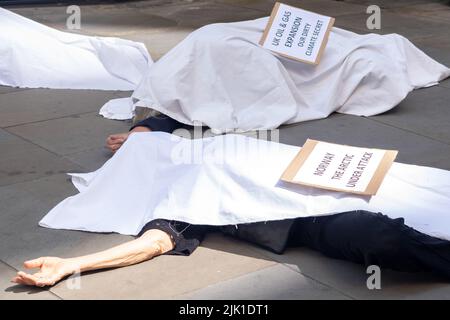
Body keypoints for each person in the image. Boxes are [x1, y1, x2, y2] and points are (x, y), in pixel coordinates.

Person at [12, 117, 450, 287]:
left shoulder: (207, 144)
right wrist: (75, 266)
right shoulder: (180, 199)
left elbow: (169, 117)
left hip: (336, 173)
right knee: (379, 235)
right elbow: (154, 243)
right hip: (313, 217)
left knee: (425, 188)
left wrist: (139, 133)